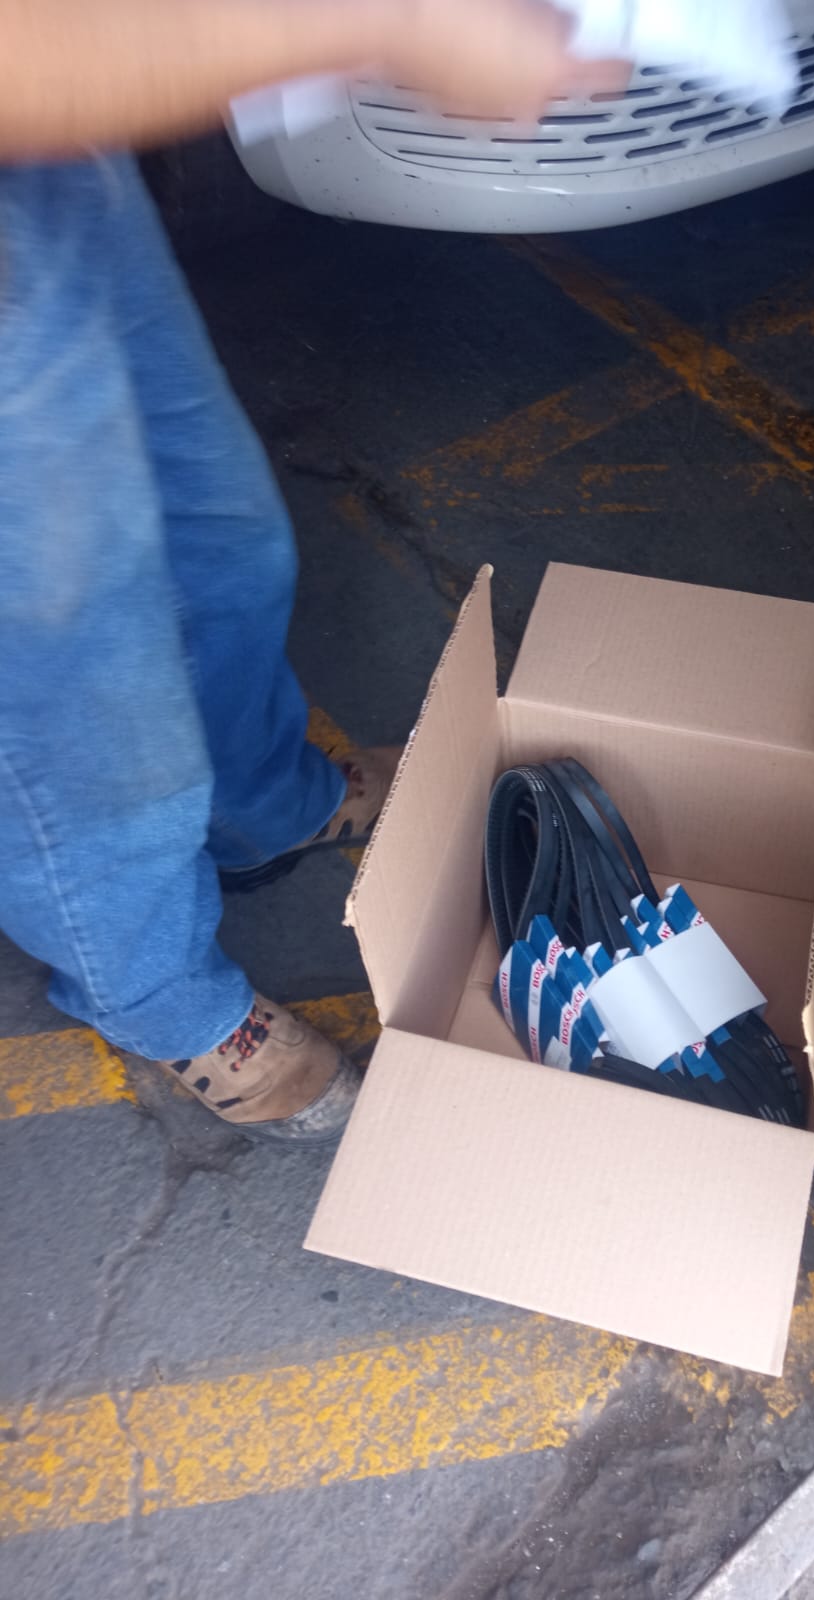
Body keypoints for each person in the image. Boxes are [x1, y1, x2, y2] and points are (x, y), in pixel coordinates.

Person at [0, 0, 620, 1144]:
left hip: (48, 168)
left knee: (216, 530)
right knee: (64, 676)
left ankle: (259, 804)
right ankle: (153, 989)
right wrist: (394, 23)